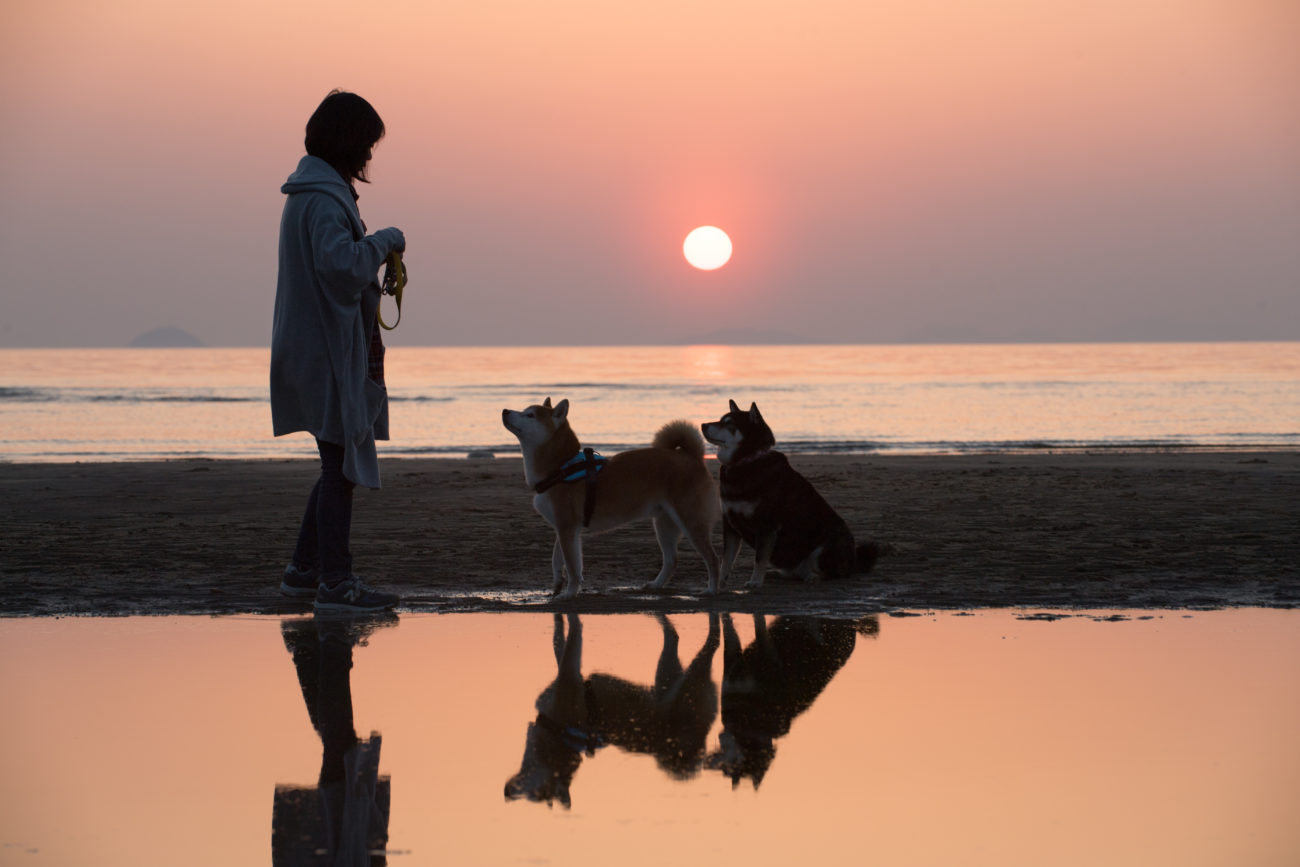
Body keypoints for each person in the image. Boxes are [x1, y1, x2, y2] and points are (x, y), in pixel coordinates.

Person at [271, 90, 404, 612]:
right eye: (368, 143)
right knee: (340, 467)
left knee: (337, 461)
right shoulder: (324, 201)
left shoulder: (315, 194)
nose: (370, 154)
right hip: (325, 352)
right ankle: (335, 582)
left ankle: (305, 572)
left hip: (317, 348)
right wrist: (386, 240)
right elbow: (342, 268)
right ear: (349, 142)